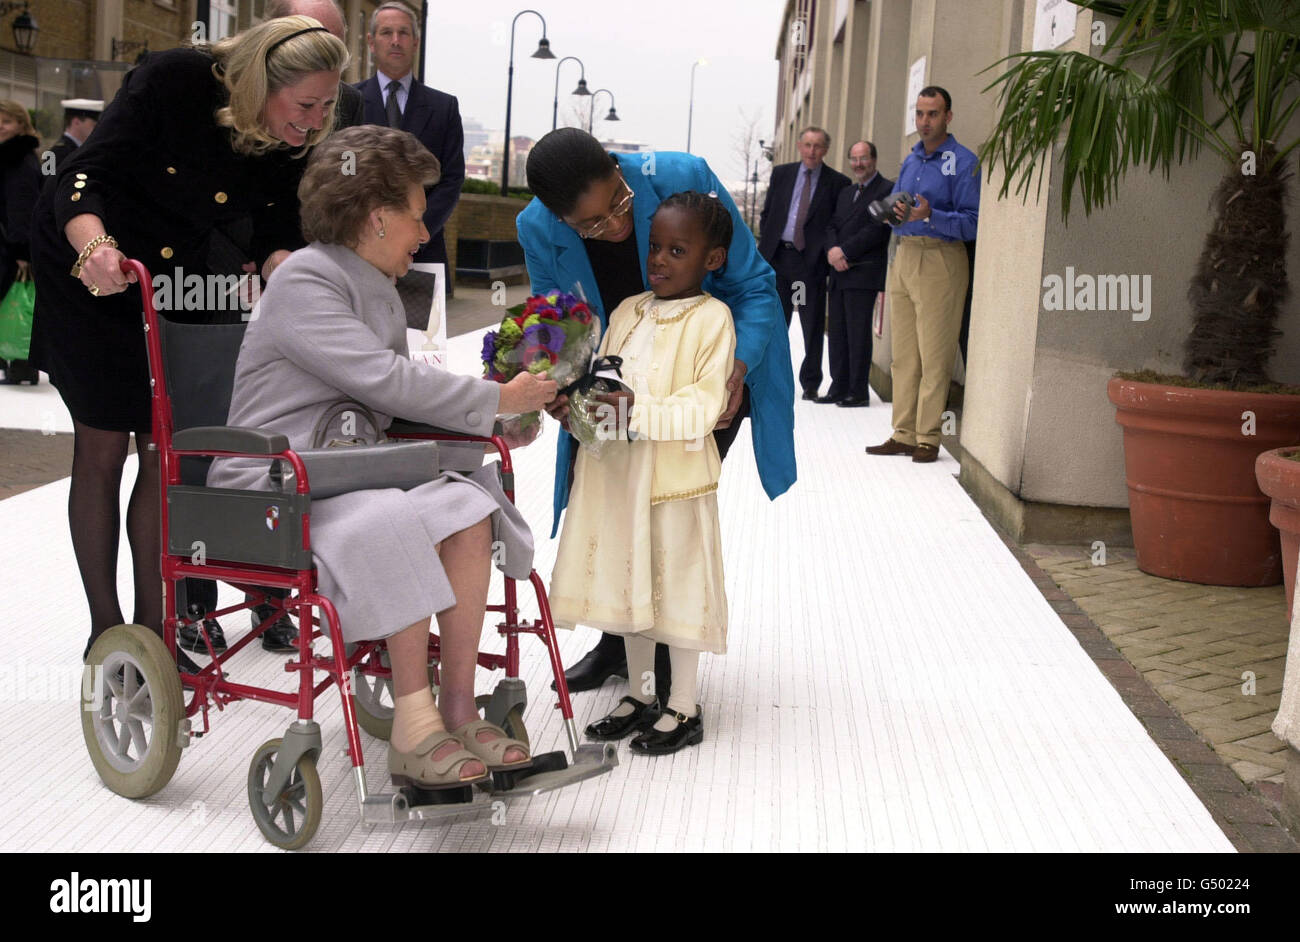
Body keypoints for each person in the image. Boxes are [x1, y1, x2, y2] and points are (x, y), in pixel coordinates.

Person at [209, 125, 556, 786]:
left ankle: (457, 705)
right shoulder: (306, 281)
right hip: (275, 484)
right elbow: (384, 381)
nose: (424, 236)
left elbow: (397, 409)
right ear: (375, 219)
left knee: (463, 506)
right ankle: (414, 726)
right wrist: (494, 399)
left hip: (346, 476)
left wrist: (497, 426)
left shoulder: (374, 285)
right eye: (417, 218)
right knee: (388, 518)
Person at [26, 16, 348, 665]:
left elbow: (274, 221)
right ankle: (105, 629)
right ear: (265, 81)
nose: (315, 122)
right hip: (93, 263)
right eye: (307, 105)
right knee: (104, 442)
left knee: (161, 445)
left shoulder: (287, 134)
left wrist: (287, 269)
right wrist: (93, 247)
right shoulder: (174, 79)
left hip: (175, 277)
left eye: (326, 107)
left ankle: (154, 628)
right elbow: (86, 174)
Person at [517, 128, 795, 698]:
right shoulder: (536, 229)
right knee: (615, 508)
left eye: (619, 204)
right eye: (592, 225)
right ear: (559, 218)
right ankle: (618, 641)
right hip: (619, 391)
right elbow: (560, 319)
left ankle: (670, 652)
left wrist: (734, 369)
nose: (616, 227)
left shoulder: (683, 177)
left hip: (702, 381)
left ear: (617, 166)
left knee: (671, 514)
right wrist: (564, 390)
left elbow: (752, 284)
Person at [550, 191, 734, 754]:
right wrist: (577, 409)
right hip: (619, 475)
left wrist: (635, 414)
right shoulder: (627, 310)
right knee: (629, 580)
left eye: (678, 250)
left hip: (673, 480)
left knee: (674, 585)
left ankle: (684, 705)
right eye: (655, 246)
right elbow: (605, 383)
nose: (659, 259)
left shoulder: (712, 319)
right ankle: (641, 692)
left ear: (713, 260)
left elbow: (704, 407)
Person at [866, 86, 979, 464]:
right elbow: (900, 205)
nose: (924, 122)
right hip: (904, 256)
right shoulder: (911, 160)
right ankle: (903, 432)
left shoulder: (963, 162)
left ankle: (928, 438)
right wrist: (890, 212)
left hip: (941, 260)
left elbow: (973, 223)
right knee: (904, 356)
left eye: (932, 114)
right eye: (919, 113)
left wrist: (931, 215)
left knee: (935, 355)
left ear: (948, 116)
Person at [355, 2, 463, 272]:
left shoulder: (444, 108)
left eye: (403, 33)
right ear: (371, 41)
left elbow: (451, 179)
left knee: (420, 317)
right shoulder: (348, 101)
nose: (395, 41)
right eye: (386, 32)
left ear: (415, 42)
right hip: (360, 248)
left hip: (423, 250)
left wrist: (416, 229)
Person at [757, 126, 849, 401]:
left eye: (818, 146)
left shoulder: (837, 183)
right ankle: (767, 379)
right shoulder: (782, 174)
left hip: (810, 262)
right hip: (779, 257)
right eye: (807, 145)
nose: (812, 151)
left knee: (812, 325)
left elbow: (836, 224)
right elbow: (768, 213)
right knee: (775, 323)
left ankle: (810, 383)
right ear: (799, 146)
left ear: (826, 150)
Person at [821, 140, 893, 407]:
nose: (858, 164)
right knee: (837, 332)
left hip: (862, 272)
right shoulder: (846, 193)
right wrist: (832, 250)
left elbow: (877, 230)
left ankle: (857, 390)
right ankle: (838, 386)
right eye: (854, 159)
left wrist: (844, 252)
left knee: (857, 333)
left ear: (873, 159)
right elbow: (832, 225)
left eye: (863, 158)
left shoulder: (887, 190)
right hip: (838, 272)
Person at [266, 0, 364, 130]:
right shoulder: (234, 94)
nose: (328, 63)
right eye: (314, 52)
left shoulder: (349, 102)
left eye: (336, 51)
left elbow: (348, 151)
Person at [0, 100, 41, 385]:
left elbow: (20, 207)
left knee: (14, 305)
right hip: (8, 244)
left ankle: (21, 364)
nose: (0, 126)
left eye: (7, 121)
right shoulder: (10, 155)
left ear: (21, 125)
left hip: (10, 248)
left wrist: (20, 251)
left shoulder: (17, 158)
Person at [39, 98, 103, 195]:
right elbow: (47, 189)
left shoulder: (81, 150)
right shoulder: (54, 154)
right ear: (76, 122)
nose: (95, 130)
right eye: (93, 125)